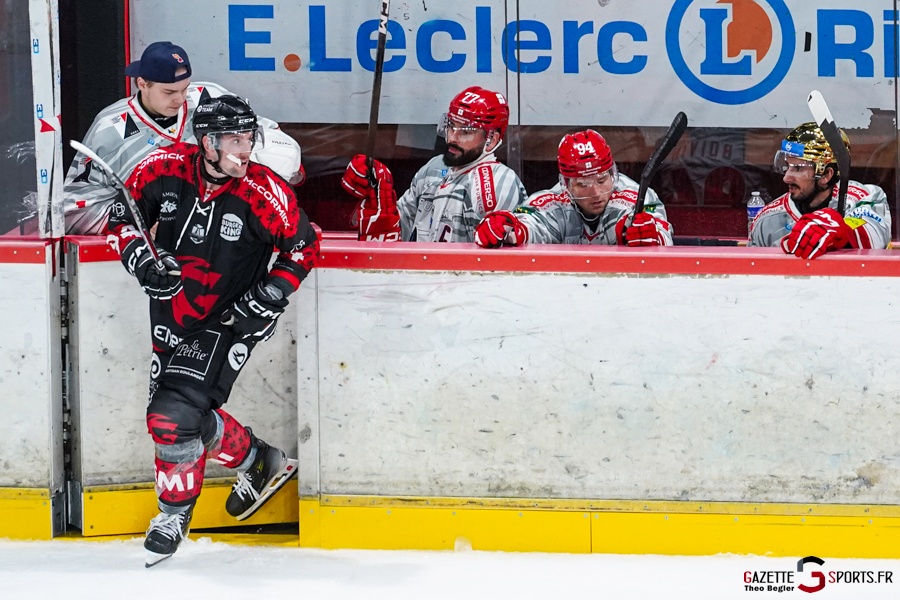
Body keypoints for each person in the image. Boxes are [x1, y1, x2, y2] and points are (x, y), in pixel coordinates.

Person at [105, 94, 319, 567]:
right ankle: (259, 461)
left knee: (170, 416)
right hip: (171, 312)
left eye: (249, 139)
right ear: (207, 142)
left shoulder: (265, 192)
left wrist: (266, 298)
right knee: (185, 417)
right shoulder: (161, 169)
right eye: (236, 141)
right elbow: (123, 220)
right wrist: (141, 261)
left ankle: (172, 515)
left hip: (229, 320)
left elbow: (303, 249)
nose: (246, 150)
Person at [64, 41, 302, 234]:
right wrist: (138, 224)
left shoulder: (209, 97)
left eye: (184, 88)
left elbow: (268, 137)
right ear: (142, 84)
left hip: (227, 232)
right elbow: (74, 207)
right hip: (155, 252)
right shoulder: (110, 128)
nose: (180, 99)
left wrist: (287, 164)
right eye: (169, 92)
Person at [340, 86, 526, 242]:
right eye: (451, 125)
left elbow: (491, 262)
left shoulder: (499, 182)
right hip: (421, 278)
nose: (452, 137)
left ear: (491, 140)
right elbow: (400, 231)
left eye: (466, 132)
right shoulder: (435, 167)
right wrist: (379, 199)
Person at [473, 129, 673, 247]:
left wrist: (651, 234)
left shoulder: (637, 196)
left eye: (601, 180)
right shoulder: (555, 200)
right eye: (582, 184)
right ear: (566, 184)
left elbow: (664, 234)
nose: (595, 193)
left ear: (613, 174)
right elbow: (533, 223)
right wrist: (511, 229)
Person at [750, 122, 891, 258]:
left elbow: (876, 237)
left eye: (798, 168)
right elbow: (749, 273)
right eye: (787, 166)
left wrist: (842, 229)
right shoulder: (767, 220)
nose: (786, 178)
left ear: (826, 175)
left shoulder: (865, 198)